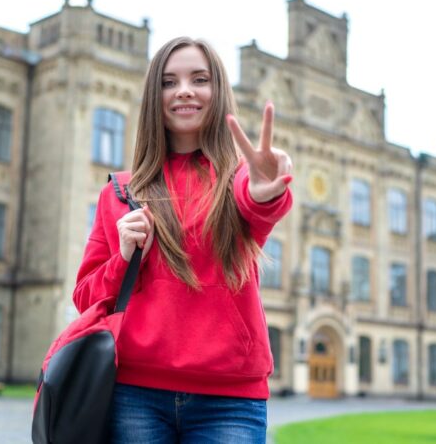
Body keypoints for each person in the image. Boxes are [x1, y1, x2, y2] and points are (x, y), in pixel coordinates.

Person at [73, 36, 293, 443]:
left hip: (230, 400)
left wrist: (267, 190)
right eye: (169, 82)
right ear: (154, 97)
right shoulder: (120, 193)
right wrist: (122, 257)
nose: (185, 90)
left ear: (218, 91)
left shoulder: (237, 180)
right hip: (135, 395)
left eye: (199, 79)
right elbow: (86, 297)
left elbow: (259, 204)